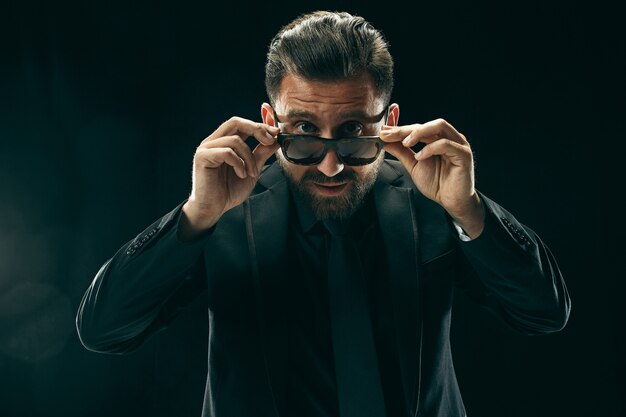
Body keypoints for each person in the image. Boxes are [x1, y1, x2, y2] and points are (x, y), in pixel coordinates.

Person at [76, 10, 571, 417]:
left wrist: (470, 209)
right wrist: (195, 215)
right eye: (305, 132)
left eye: (354, 130)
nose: (331, 163)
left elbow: (544, 313)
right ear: (269, 123)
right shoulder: (224, 208)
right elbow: (103, 330)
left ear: (390, 121)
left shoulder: (435, 199)